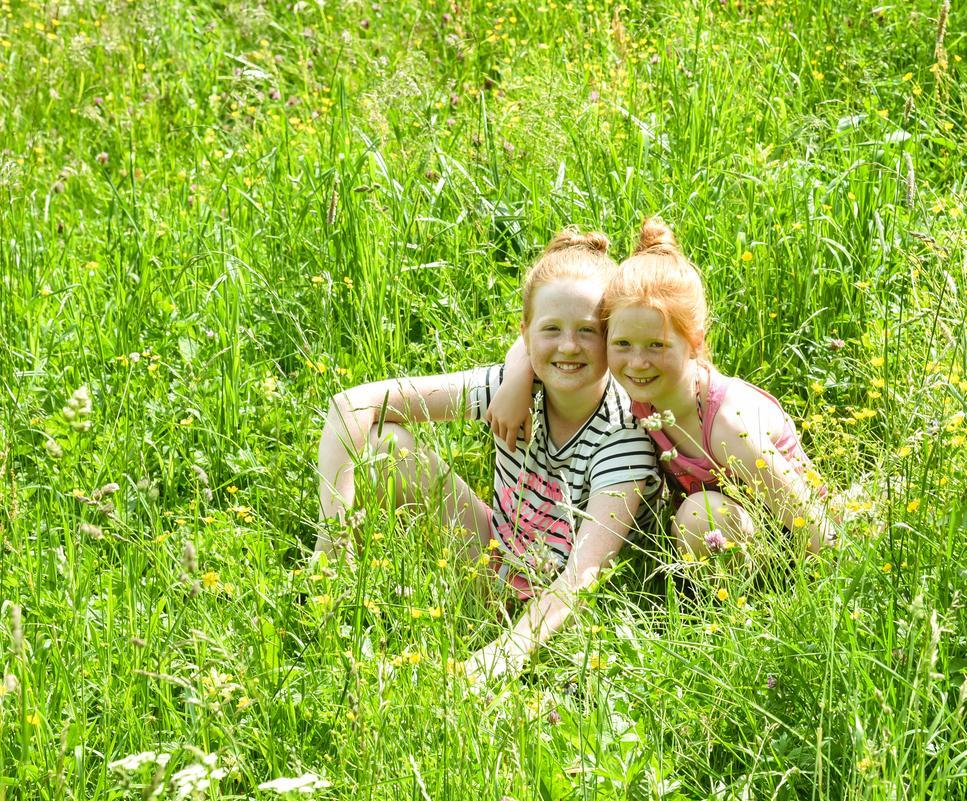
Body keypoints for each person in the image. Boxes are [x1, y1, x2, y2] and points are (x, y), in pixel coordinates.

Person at [313, 228, 659, 684]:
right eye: (551, 329)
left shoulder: (624, 436)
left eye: (587, 333)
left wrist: (508, 650)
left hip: (565, 613)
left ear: (612, 336)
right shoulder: (511, 387)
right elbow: (349, 405)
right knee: (384, 447)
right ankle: (334, 589)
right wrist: (332, 547)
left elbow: (584, 575)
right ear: (525, 334)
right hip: (493, 559)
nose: (569, 346)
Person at [486, 217, 843, 560]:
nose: (637, 363)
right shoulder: (645, 390)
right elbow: (543, 333)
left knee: (702, 516)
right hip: (734, 540)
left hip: (791, 538)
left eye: (656, 346)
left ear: (694, 342)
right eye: (623, 344)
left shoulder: (728, 426)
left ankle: (735, 608)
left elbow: (813, 523)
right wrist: (516, 379)